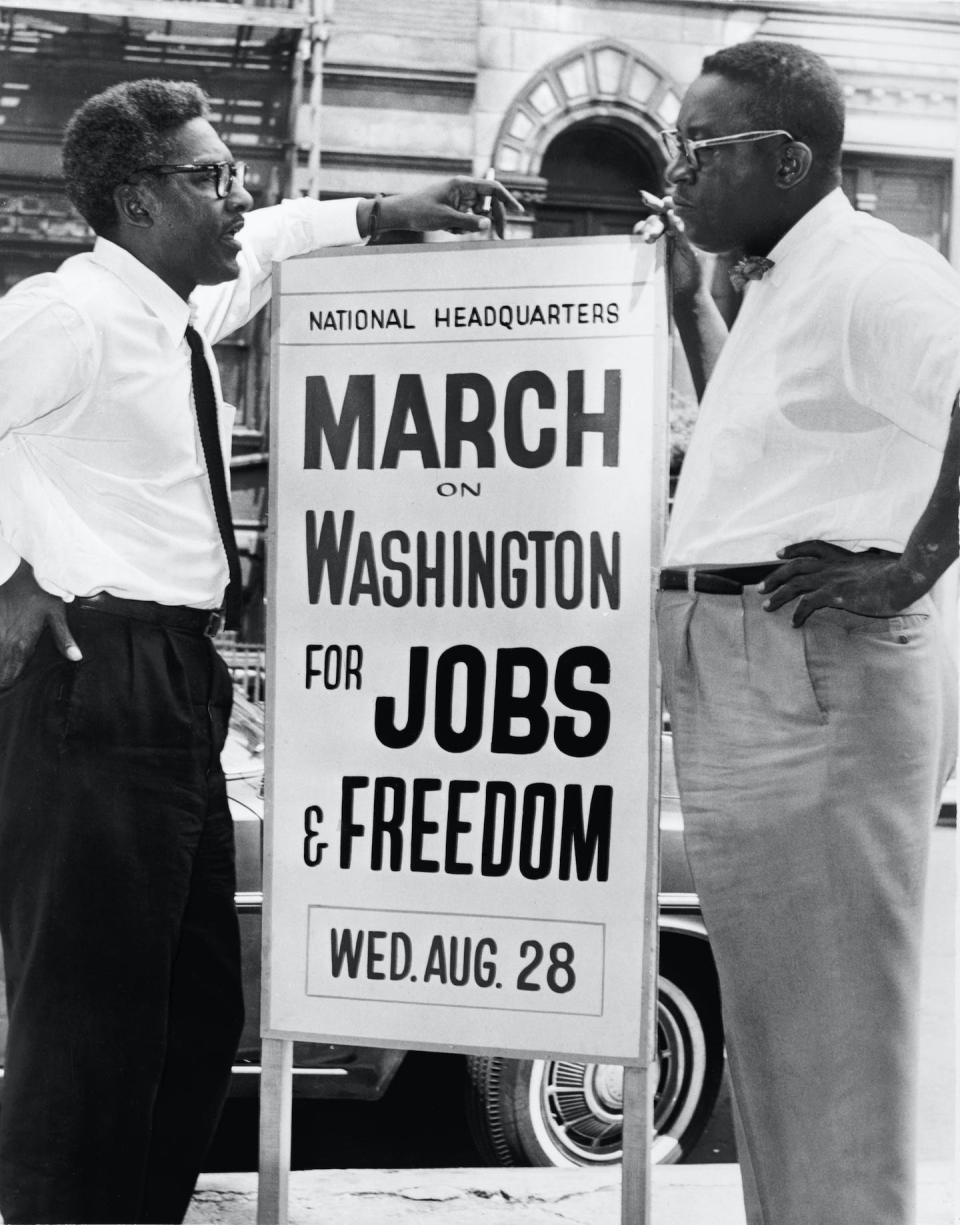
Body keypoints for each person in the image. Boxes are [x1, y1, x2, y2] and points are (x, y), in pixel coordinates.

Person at [0, 77, 520, 1225]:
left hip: (174, 678)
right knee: (87, 1026)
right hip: (96, 681)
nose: (242, 195)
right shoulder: (64, 316)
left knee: (191, 1016)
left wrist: (384, 213)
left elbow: (275, 238)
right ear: (137, 200)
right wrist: (10, 577)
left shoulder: (174, 310)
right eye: (211, 176)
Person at [648, 40, 959, 1225]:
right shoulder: (779, 277)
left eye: (702, 151)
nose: (679, 176)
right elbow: (786, 449)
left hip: (811, 679)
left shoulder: (878, 275)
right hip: (753, 674)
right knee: (780, 1043)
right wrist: (689, 312)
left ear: (786, 158)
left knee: (834, 1053)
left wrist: (916, 562)